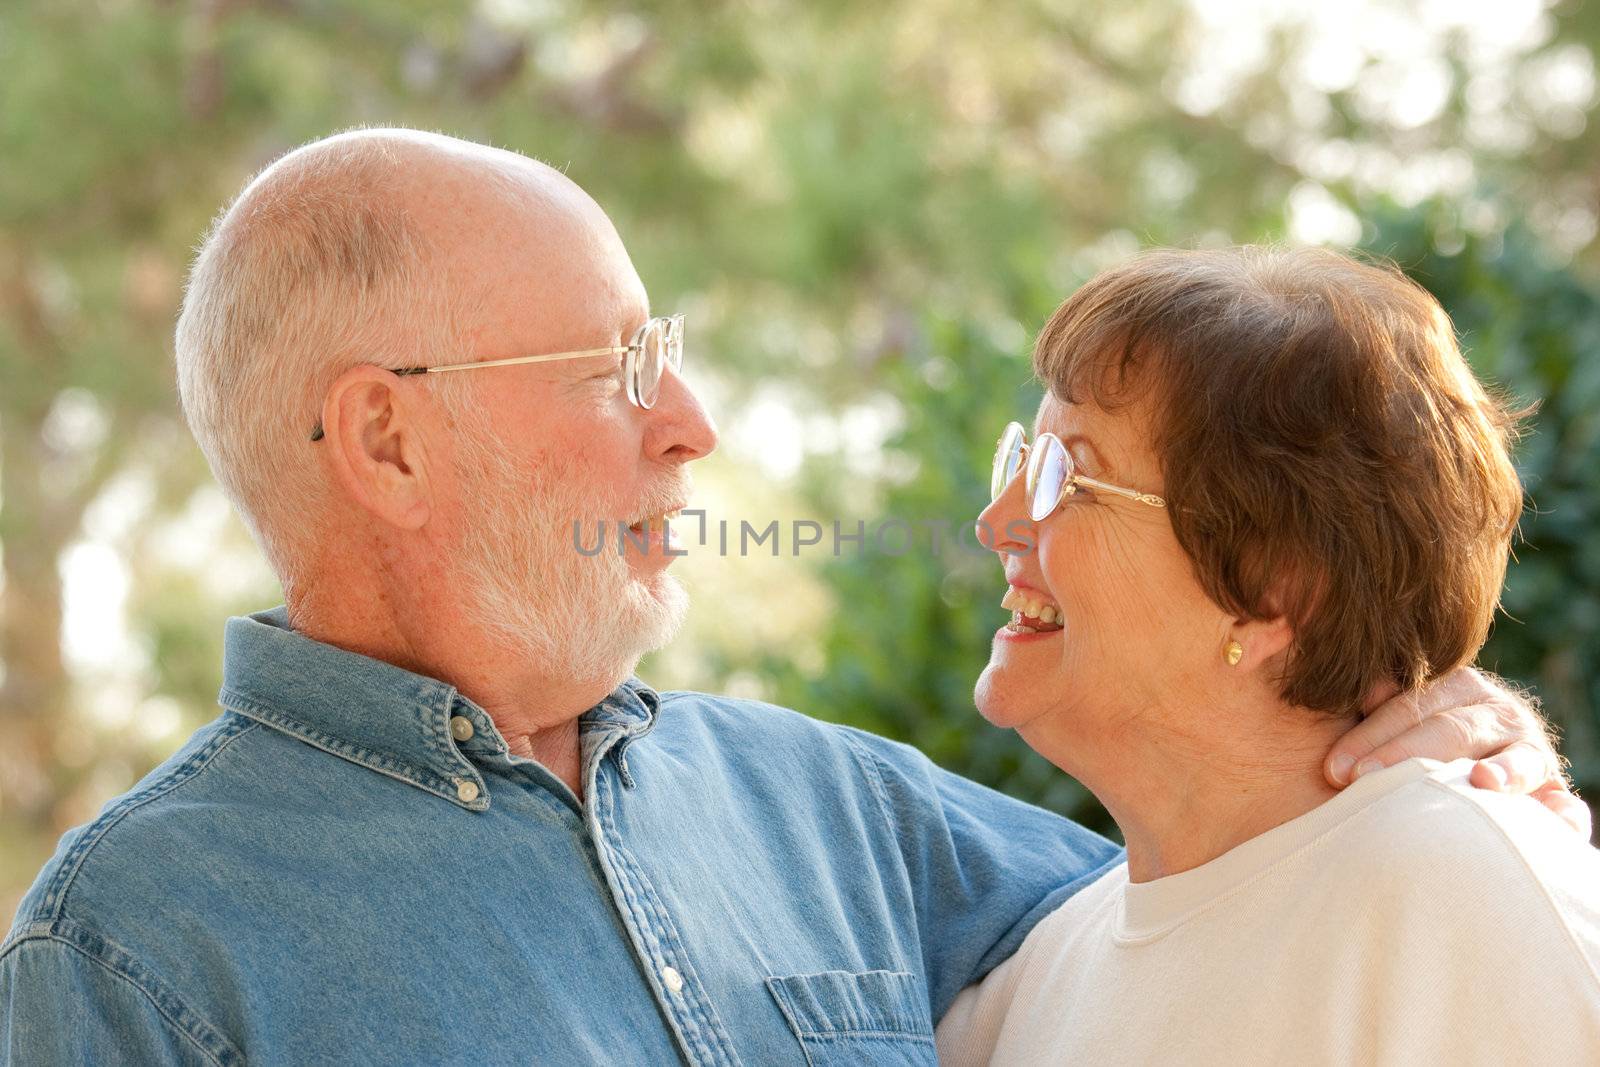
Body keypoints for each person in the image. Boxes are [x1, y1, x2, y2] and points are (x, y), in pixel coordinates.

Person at [0, 132, 1575, 1065]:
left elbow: (1227, 896)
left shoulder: (835, 804)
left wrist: (1429, 708)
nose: (691, 421)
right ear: (387, 438)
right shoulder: (132, 955)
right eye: (619, 363)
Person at [936, 246, 1600, 1065]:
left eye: (1065, 476)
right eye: (1023, 461)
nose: (995, 522)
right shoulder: (1022, 986)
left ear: (1275, 586)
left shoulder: (1474, 901)